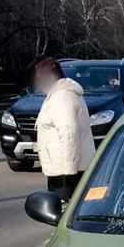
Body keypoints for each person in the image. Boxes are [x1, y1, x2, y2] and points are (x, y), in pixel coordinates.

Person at [33, 58, 95, 203]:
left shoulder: (62, 96)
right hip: (63, 169)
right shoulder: (58, 95)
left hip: (66, 172)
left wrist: (68, 172)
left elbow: (69, 133)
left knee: (63, 211)